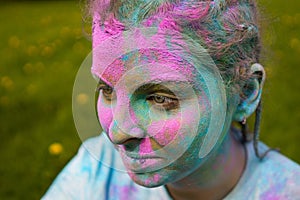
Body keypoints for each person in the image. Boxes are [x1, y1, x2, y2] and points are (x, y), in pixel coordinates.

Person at [43, 0, 300, 199]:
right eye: (108, 90)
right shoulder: (99, 171)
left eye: (159, 98)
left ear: (244, 93)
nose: (117, 133)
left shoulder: (289, 192)